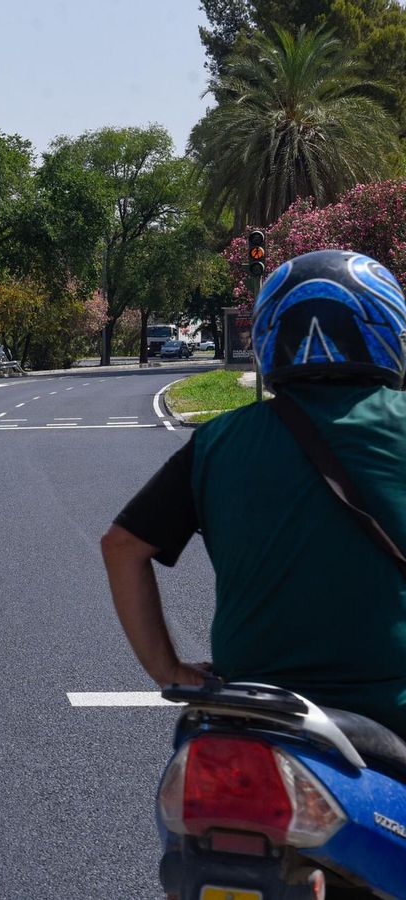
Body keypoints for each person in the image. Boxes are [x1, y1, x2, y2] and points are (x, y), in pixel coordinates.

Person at [102, 249, 406, 738]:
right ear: (387, 332)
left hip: (257, 710)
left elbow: (121, 547)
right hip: (391, 706)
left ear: (269, 338)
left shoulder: (218, 442)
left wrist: (169, 671)